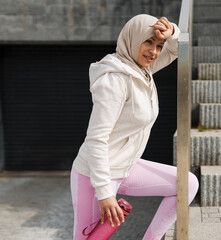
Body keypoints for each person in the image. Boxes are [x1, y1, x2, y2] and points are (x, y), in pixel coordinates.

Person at [70, 14, 199, 240]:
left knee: (186, 183)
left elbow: (175, 49)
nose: (154, 51)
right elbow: (96, 139)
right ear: (133, 38)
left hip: (126, 167)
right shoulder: (114, 79)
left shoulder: (142, 71)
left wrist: (172, 33)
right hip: (95, 174)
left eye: (158, 45)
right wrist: (105, 194)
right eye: (148, 41)